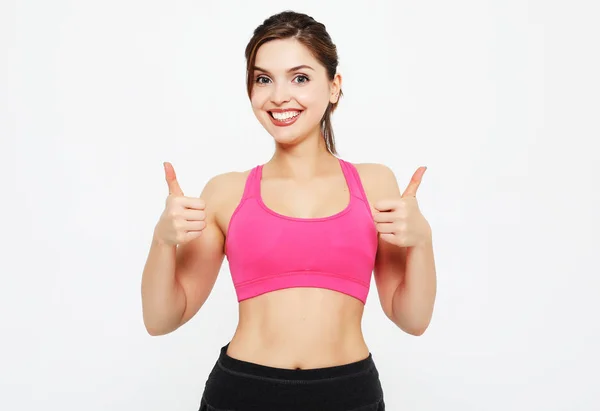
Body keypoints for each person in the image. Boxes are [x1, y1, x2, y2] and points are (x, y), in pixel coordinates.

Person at [141, 10, 437, 411]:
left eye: (299, 77)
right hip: (243, 393)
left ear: (334, 87)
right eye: (264, 79)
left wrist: (422, 241)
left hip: (348, 393)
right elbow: (161, 319)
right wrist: (162, 240)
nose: (279, 95)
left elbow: (412, 319)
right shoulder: (226, 193)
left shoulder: (374, 184)